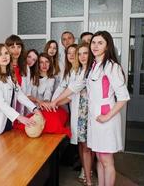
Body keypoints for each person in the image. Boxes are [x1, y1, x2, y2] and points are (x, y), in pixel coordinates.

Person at [88, 31, 130, 186]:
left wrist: (106, 117)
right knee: (99, 158)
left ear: (107, 46)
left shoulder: (112, 67)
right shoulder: (94, 65)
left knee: (107, 160)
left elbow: (123, 97)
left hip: (106, 118)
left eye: (100, 43)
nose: (95, 46)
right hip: (95, 118)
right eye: (93, 42)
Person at [50, 43, 94, 185]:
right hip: (79, 113)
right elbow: (70, 94)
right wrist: (54, 103)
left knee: (87, 147)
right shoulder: (79, 70)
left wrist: (55, 101)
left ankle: (88, 178)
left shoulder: (90, 71)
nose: (81, 56)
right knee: (81, 146)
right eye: (79, 54)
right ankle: (87, 177)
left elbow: (73, 88)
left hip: (87, 114)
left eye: (84, 53)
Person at [15, 53, 71, 137]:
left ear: (50, 64)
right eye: (41, 62)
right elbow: (27, 95)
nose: (44, 65)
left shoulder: (51, 78)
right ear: (38, 64)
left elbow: (48, 94)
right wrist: (39, 101)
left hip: (41, 109)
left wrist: (46, 103)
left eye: (47, 62)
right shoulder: (31, 76)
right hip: (27, 109)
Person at [0, 43, 40, 136]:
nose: (4, 56)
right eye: (0, 54)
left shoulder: (10, 75)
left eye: (6, 53)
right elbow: (1, 102)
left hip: (9, 121)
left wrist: (35, 109)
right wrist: (20, 117)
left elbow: (20, 95)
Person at [5, 35, 31, 114]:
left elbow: (28, 91)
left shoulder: (25, 67)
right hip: (7, 107)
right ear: (7, 49)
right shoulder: (4, 67)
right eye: (12, 47)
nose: (16, 50)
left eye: (19, 47)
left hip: (21, 106)